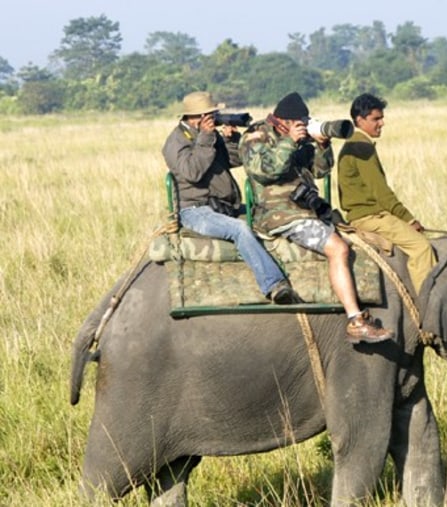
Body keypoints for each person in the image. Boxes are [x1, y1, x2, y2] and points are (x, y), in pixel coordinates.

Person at [239, 91, 393, 343]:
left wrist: (322, 143)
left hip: (308, 207)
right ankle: (355, 321)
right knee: (338, 248)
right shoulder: (256, 136)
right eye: (299, 122)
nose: (303, 127)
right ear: (286, 122)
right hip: (279, 214)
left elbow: (320, 171)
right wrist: (290, 141)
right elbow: (265, 172)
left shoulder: (298, 135)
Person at [162, 91, 299, 305]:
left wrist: (233, 139)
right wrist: (207, 138)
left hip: (224, 205)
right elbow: (192, 172)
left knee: (271, 214)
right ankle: (274, 285)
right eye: (211, 114)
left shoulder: (209, 136)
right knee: (239, 229)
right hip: (196, 210)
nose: (214, 118)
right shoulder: (176, 141)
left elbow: (234, 160)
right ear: (196, 117)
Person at [337, 93, 436, 296]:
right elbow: (381, 192)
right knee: (422, 247)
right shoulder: (361, 147)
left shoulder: (356, 144)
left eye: (381, 118)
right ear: (359, 120)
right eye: (375, 119)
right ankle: (429, 307)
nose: (381, 123)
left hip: (368, 215)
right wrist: (409, 219)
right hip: (371, 217)